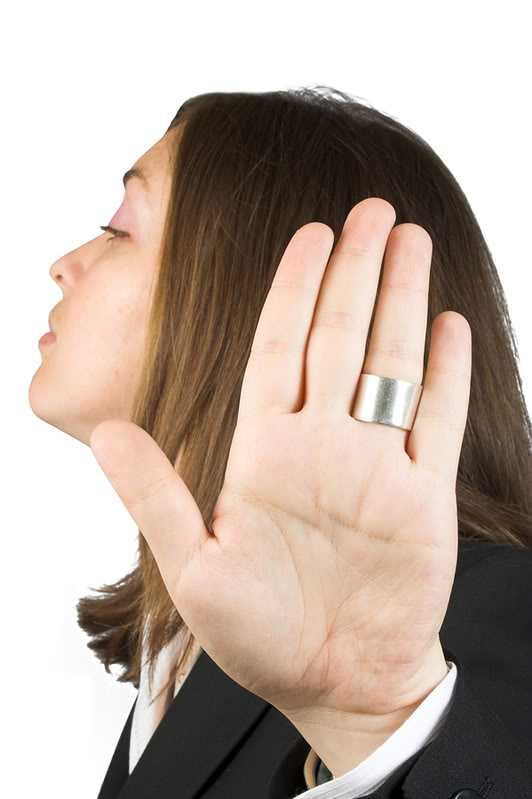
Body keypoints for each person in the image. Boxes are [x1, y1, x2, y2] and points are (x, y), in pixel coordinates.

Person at [28, 87, 532, 799]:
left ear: (258, 292)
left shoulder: (478, 619)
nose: (63, 263)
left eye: (118, 229)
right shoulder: (186, 650)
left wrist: (376, 722)